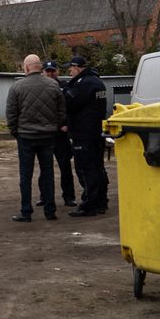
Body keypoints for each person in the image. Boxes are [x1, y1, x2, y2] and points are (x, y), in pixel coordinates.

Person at [5, 54, 66, 222]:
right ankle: (50, 210)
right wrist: (55, 127)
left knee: (26, 175)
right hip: (48, 135)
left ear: (26, 68)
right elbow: (61, 111)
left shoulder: (17, 87)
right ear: (40, 67)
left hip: (26, 136)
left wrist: (15, 131)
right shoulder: (53, 85)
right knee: (48, 173)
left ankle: (26, 211)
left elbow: (11, 113)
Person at [65, 56, 110, 217]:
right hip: (96, 132)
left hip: (84, 133)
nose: (70, 72)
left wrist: (64, 89)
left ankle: (89, 204)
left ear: (77, 67)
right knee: (98, 167)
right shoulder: (97, 82)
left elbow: (69, 101)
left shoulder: (84, 83)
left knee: (86, 169)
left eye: (71, 68)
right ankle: (101, 201)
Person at [42, 61, 78, 207]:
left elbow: (71, 107)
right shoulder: (40, 86)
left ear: (57, 71)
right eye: (48, 71)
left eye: (53, 71)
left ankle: (69, 196)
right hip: (45, 132)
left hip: (60, 133)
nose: (50, 73)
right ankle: (44, 196)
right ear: (43, 72)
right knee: (45, 167)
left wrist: (67, 125)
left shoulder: (64, 86)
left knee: (65, 166)